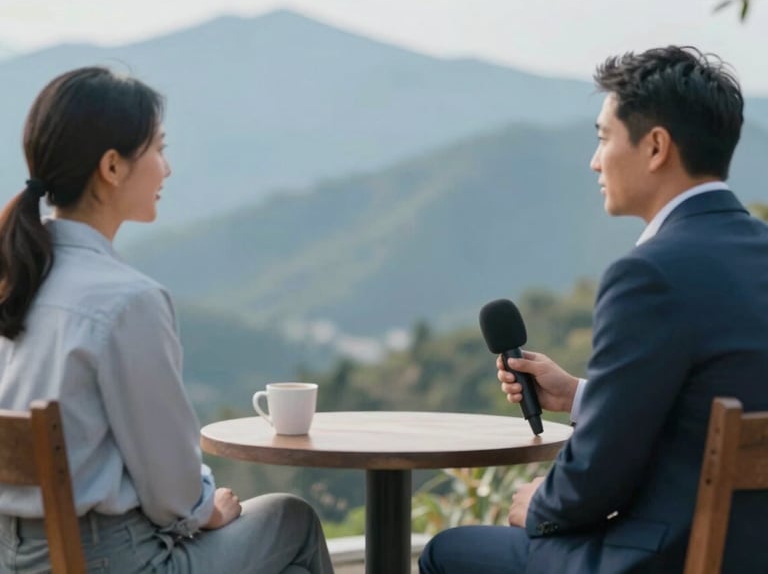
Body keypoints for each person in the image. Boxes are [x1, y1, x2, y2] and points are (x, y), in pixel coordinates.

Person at [419, 45, 768, 573]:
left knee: (450, 552)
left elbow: (595, 480)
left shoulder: (649, 276)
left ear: (655, 147)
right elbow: (704, 405)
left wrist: (540, 503)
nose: (595, 159)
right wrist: (582, 395)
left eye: (604, 138)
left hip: (664, 558)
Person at [0, 67, 334, 574]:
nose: (167, 169)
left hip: (14, 556)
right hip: (114, 560)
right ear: (112, 167)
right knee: (291, 519)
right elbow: (171, 492)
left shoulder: (17, 278)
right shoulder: (126, 300)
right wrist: (205, 508)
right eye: (158, 149)